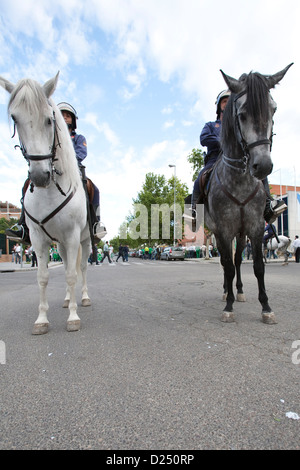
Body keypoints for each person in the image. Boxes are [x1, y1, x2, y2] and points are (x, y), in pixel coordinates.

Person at [6, 102, 106, 243]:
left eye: (68, 116)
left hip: (73, 170)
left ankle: (95, 224)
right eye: (62, 115)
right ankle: (23, 226)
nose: (65, 118)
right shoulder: (49, 136)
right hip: (50, 168)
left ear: (73, 120)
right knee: (26, 185)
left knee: (93, 188)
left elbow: (82, 153)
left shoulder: (78, 138)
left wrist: (66, 162)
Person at [189, 90, 287, 224]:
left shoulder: (240, 125)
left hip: (237, 160)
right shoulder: (211, 125)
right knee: (200, 178)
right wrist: (223, 140)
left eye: (229, 101)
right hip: (215, 159)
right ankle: (194, 211)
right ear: (219, 106)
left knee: (259, 173)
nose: (227, 103)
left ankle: (268, 205)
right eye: (224, 101)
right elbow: (204, 138)